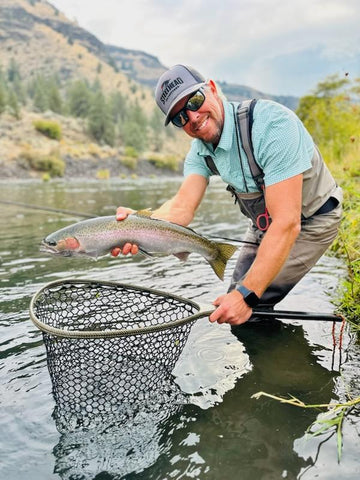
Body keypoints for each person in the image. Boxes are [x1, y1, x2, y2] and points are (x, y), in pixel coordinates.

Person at [112, 64, 342, 326]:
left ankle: (285, 364)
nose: (193, 117)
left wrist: (246, 297)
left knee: (253, 303)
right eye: (179, 118)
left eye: (194, 101)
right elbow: (181, 208)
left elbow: (287, 223)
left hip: (313, 221)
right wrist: (138, 225)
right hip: (265, 225)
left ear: (211, 88)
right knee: (235, 306)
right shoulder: (200, 151)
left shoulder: (272, 126)